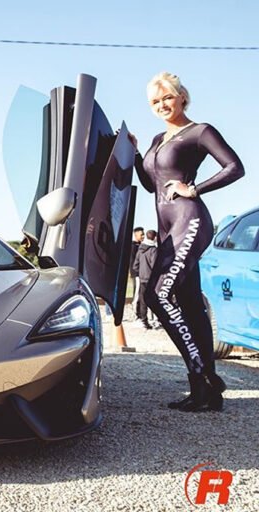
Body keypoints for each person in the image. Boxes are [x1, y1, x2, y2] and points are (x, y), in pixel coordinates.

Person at [130, 72, 244, 412]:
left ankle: (204, 374)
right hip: (166, 227)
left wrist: (194, 188)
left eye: (167, 97)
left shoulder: (200, 131)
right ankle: (204, 393)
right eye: (155, 101)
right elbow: (152, 185)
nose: (162, 105)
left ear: (182, 97)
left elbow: (234, 167)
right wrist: (136, 154)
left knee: (156, 294)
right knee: (190, 303)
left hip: (188, 219)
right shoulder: (156, 139)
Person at [132, 229, 158, 329]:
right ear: (154, 238)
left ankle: (144, 320)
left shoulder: (141, 249)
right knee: (153, 300)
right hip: (151, 279)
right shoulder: (153, 250)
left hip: (142, 278)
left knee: (143, 300)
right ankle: (154, 320)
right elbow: (154, 265)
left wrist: (140, 273)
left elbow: (135, 265)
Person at [129, 227, 144, 321]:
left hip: (142, 273)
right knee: (137, 294)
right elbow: (133, 261)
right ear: (136, 234)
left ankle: (139, 313)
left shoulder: (140, 245)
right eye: (141, 234)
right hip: (137, 273)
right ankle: (135, 313)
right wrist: (136, 271)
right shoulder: (133, 246)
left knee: (140, 293)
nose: (143, 236)